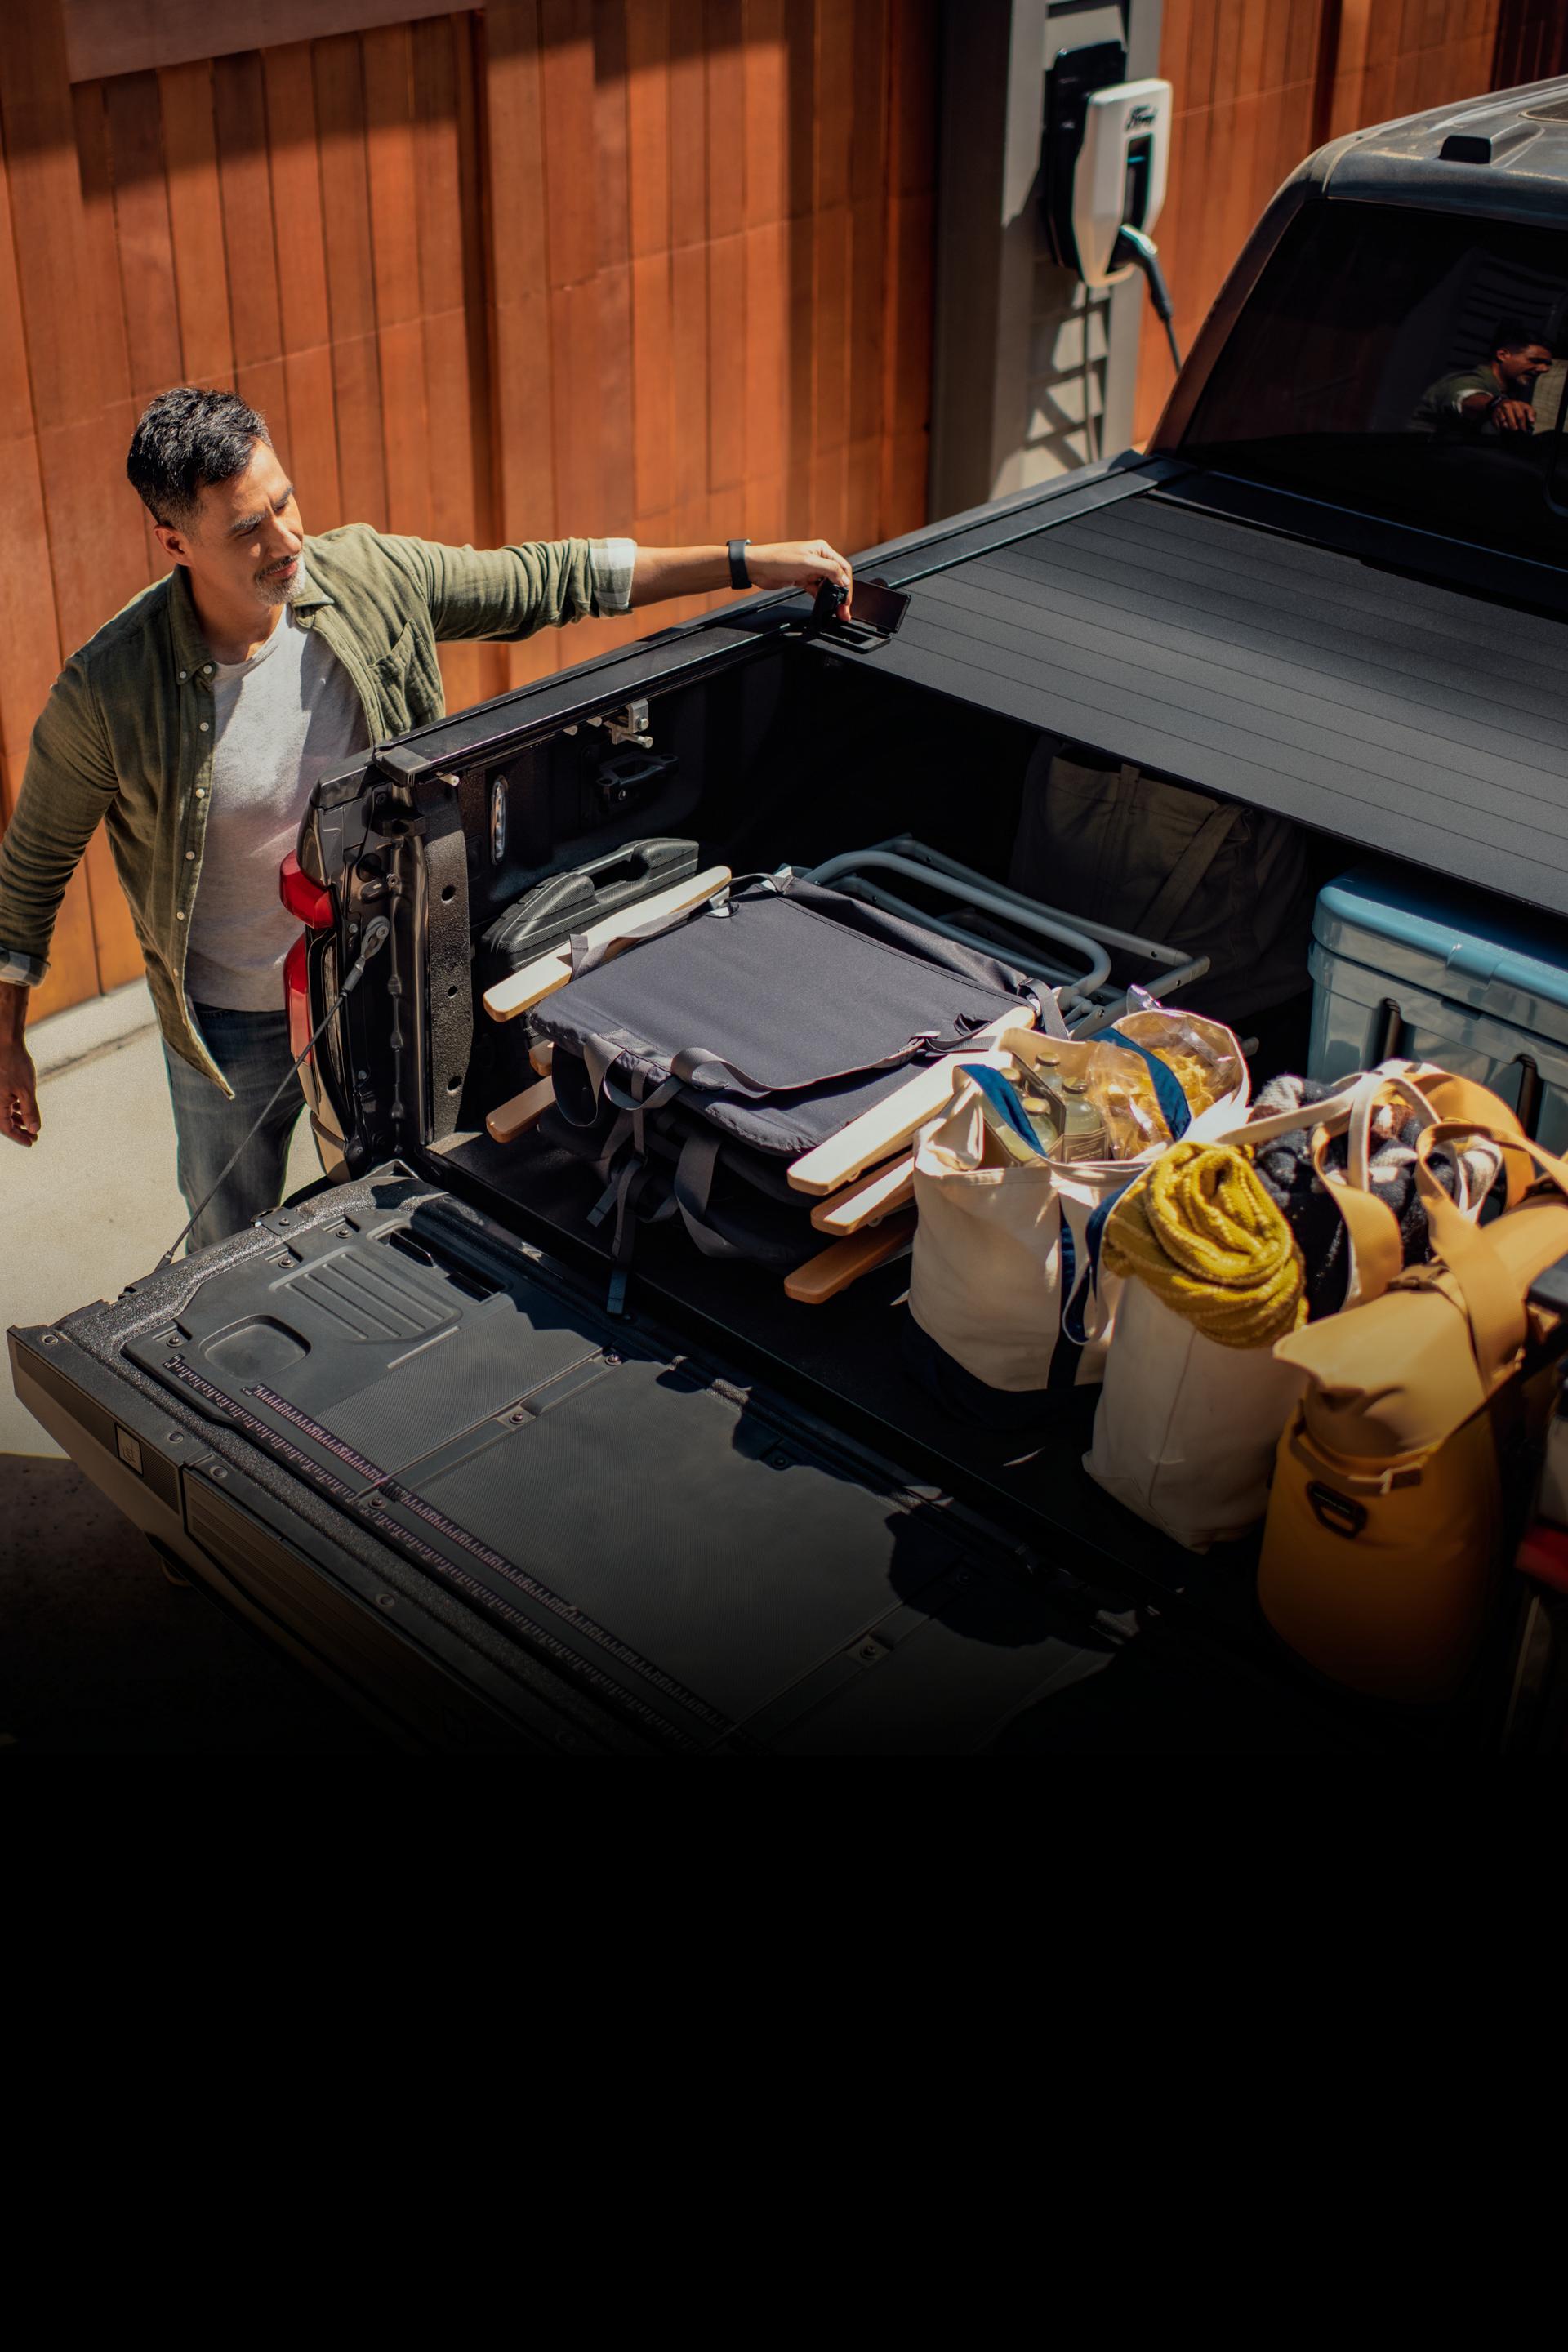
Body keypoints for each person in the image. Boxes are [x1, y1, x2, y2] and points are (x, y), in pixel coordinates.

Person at [0, 387, 853, 1245]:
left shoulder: (368, 577)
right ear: (174, 542)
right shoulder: (107, 694)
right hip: (230, 1026)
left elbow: (554, 578)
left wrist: (748, 561)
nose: (286, 539)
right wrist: (6, 1040)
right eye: (245, 529)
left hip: (384, 981)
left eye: (284, 501)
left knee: (394, 1206)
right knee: (228, 1224)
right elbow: (29, 876)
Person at [1412, 320, 1555, 438]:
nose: (1544, 369)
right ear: (1503, 355)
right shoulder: (1468, 380)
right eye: (1535, 361)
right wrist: (1496, 405)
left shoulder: (1508, 392)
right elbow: (1466, 397)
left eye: (1547, 365)